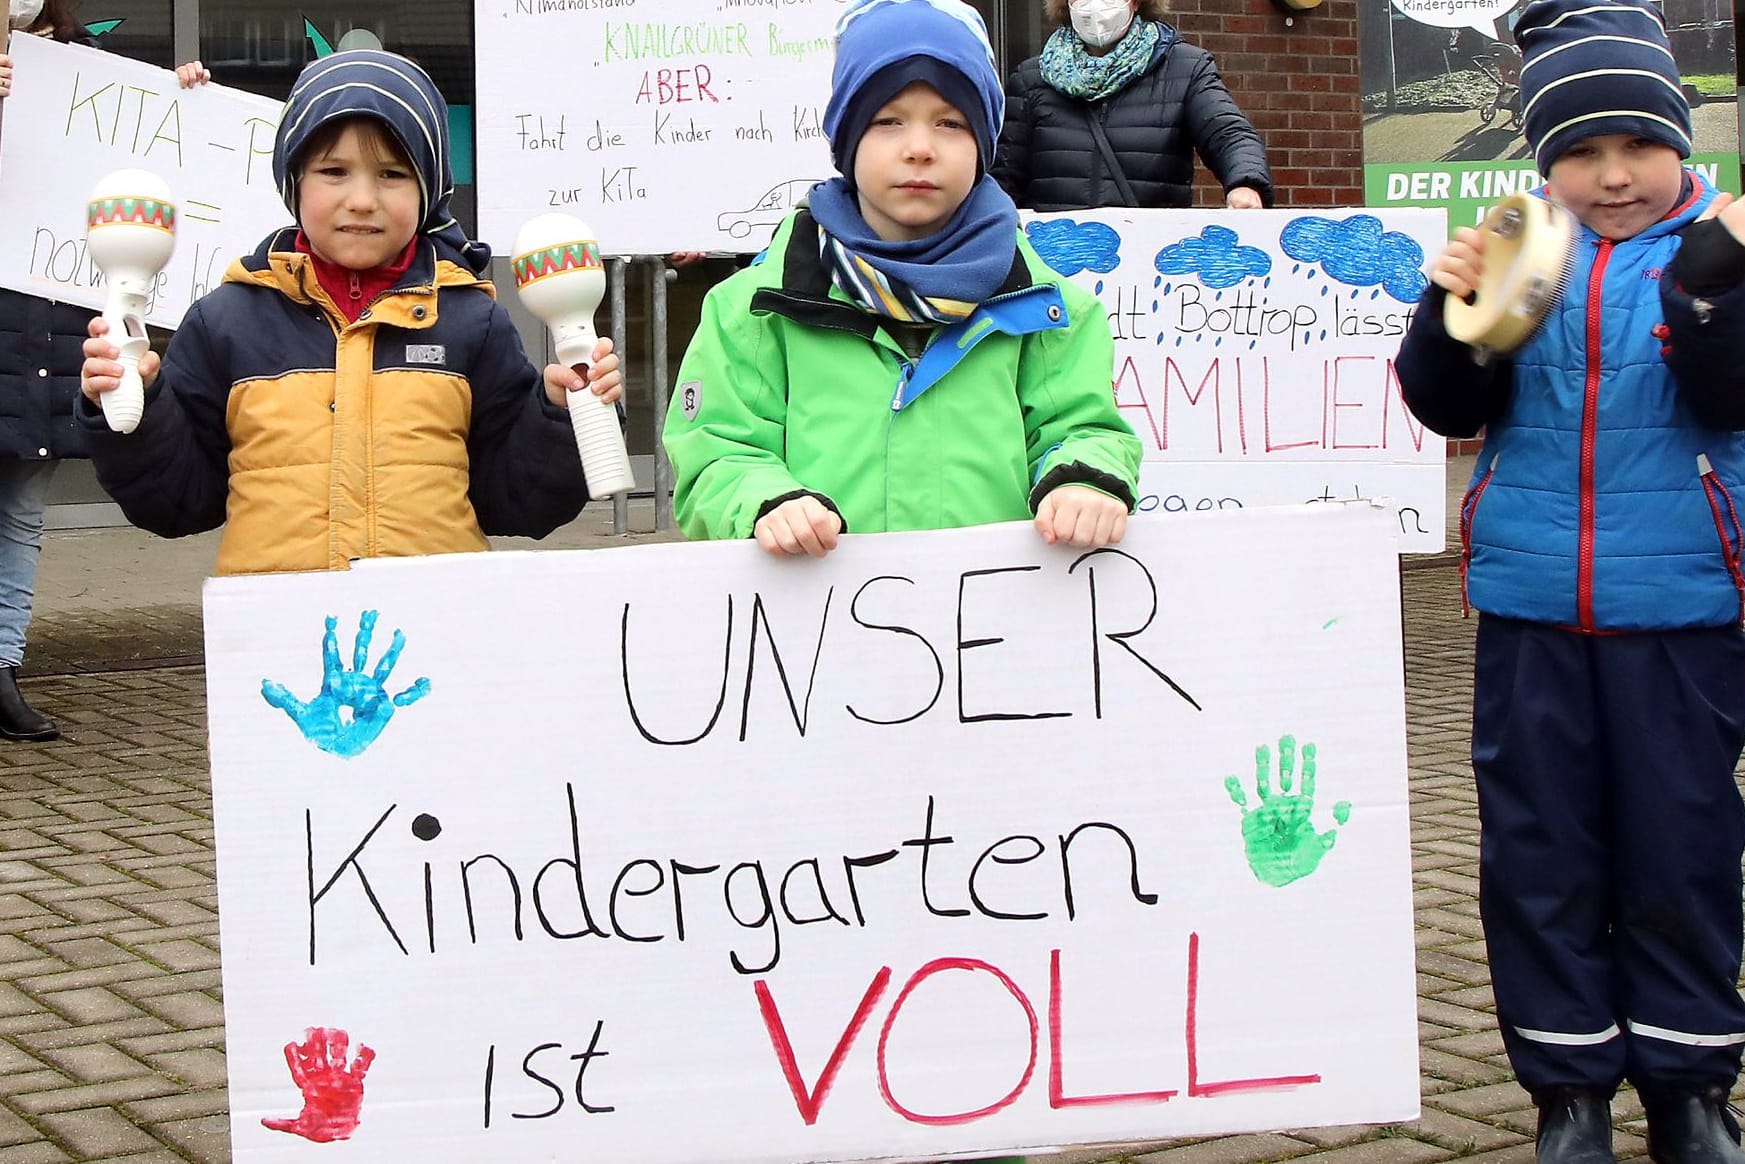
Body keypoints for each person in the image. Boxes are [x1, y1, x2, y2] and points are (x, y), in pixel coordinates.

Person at [1395, 2, 1745, 1160]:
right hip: (1530, 607)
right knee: (1538, 856)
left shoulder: (1723, 248)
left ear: (1678, 142)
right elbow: (1448, 407)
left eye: (1635, 145)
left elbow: (1724, 396)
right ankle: (1567, 1092)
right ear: (1541, 158)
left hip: (1682, 610)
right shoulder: (1515, 248)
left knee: (1680, 852)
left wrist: (1707, 286)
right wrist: (1451, 323)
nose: (1609, 176)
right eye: (1578, 152)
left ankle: (1689, 1089)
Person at [78, 48, 621, 577]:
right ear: (294, 184)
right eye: (334, 171)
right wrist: (138, 413)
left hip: (434, 635)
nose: (362, 199)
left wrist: (560, 417)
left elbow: (517, 506)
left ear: (428, 190)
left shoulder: (470, 321)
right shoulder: (227, 321)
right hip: (279, 642)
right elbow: (177, 503)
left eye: (392, 174)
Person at [664, 0, 1140, 563]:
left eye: (951, 122)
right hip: (819, 629)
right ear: (847, 138)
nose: (920, 147)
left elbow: (1085, 428)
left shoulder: (1048, 308)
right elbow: (717, 451)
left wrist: (1083, 481)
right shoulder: (756, 308)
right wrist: (765, 501)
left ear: (983, 145)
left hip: (991, 625)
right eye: (888, 120)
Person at [0, 0, 209, 741]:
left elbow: (140, 154)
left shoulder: (85, 64)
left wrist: (183, 100)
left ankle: (2, 665)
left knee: (23, 506)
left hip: (46, 329)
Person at [991, 0, 1272, 212]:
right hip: (1055, 266)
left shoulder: (1185, 69)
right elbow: (1002, 179)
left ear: (1136, 2)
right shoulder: (1032, 79)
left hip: (1146, 267)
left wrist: (1245, 182)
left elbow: (1228, 132)